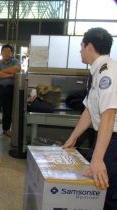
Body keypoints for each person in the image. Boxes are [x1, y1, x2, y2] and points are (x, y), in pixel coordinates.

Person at [62, 27, 117, 210]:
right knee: (93, 184)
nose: (79, 50)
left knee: (107, 191)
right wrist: (73, 138)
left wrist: (98, 159)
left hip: (113, 141)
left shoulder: (107, 73)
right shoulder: (98, 71)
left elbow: (108, 116)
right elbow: (89, 110)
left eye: (81, 46)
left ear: (89, 46)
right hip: (105, 138)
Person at [0, 44, 20, 137]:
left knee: (8, 110)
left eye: (9, 51)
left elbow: (17, 69)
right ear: (1, 52)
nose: (7, 53)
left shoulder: (15, 61)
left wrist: (2, 71)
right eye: (5, 51)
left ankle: (6, 129)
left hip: (10, 89)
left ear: (12, 53)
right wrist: (10, 75)